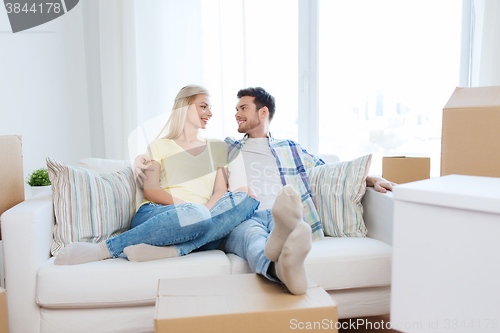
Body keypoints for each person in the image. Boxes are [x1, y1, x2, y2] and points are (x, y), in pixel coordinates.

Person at [133, 87, 395, 295]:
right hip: (246, 216)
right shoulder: (227, 147)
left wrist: (370, 179)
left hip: (285, 211)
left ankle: (285, 242)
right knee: (251, 237)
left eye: (243, 108)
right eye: (236, 109)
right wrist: (139, 160)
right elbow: (183, 152)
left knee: (289, 222)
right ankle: (277, 267)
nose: (236, 113)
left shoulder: (290, 147)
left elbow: (326, 170)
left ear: (263, 112)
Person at [54, 85, 259, 265]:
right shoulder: (159, 145)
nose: (210, 113)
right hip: (160, 214)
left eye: (210, 108)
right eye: (203, 106)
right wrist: (192, 210)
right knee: (199, 218)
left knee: (248, 200)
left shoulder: (218, 147)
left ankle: (173, 250)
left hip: (202, 218)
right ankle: (103, 250)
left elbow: (220, 190)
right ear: (185, 107)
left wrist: (203, 213)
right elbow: (151, 190)